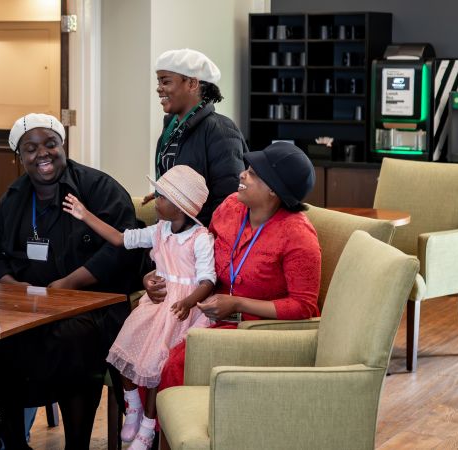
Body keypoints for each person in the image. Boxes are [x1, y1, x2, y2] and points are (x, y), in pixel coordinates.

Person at [0, 113, 139, 449]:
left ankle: (76, 444)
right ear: (19, 155)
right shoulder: (12, 198)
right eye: (31, 148)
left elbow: (121, 249)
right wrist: (13, 286)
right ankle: (13, 443)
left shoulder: (99, 188)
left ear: (63, 145)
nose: (43, 154)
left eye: (50, 144)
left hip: (92, 306)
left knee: (73, 338)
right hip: (28, 306)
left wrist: (69, 284)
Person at [62, 164, 215, 449]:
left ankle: (148, 424)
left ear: (179, 207)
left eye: (161, 197)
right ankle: (132, 407)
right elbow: (121, 238)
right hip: (156, 304)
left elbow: (207, 281)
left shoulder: (200, 240)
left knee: (156, 364)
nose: (154, 200)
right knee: (124, 347)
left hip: (181, 310)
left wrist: (188, 301)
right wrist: (86, 215)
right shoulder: (160, 231)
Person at [153, 142, 322, 391]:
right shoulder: (232, 206)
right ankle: (143, 427)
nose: (243, 174)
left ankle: (169, 429)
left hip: (257, 328)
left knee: (174, 365)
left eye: (253, 173)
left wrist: (238, 303)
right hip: (209, 311)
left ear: (273, 190)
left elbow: (304, 306)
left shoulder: (298, 237)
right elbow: (196, 255)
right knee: (150, 348)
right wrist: (154, 274)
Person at [145, 48, 248, 226]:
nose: (159, 88)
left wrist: (203, 244)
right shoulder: (171, 128)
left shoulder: (221, 131)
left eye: (166, 81)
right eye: (158, 81)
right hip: (171, 238)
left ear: (192, 84)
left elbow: (229, 201)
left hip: (200, 244)